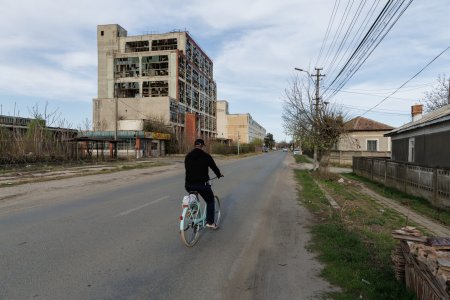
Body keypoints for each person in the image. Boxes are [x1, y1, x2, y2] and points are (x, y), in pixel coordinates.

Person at [185, 138, 223, 229]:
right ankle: (210, 222)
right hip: (202, 185)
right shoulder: (206, 156)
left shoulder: (188, 156)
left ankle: (192, 210)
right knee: (210, 201)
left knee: (194, 197)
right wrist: (219, 174)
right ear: (202, 146)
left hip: (189, 185)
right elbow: (214, 167)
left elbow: (188, 169)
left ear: (195, 145)